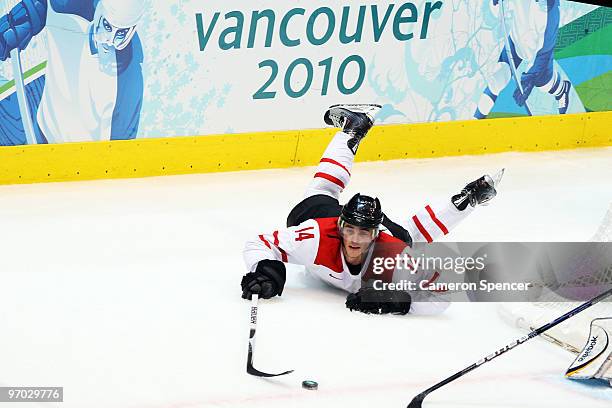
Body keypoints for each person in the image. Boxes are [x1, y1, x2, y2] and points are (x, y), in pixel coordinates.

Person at [241, 104, 500, 314]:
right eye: (350, 229)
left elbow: (441, 295)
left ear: (377, 234)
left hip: (387, 238)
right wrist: (265, 270)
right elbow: (259, 244)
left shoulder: (393, 252)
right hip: (327, 217)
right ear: (341, 226)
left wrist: (395, 300)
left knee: (407, 240)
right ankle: (467, 198)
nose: (354, 239)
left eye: (363, 232)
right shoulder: (314, 236)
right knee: (320, 193)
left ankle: (466, 199)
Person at [0, 0, 145, 144]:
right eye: (107, 26)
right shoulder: (66, 5)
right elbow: (37, 7)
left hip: (83, 159)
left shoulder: (130, 72)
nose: (110, 40)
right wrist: (15, 25)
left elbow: (123, 142)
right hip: (43, 131)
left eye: (121, 33)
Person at [474, 0, 571, 119]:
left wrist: (530, 79)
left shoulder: (549, 10)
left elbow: (545, 51)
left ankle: (562, 89)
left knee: (543, 84)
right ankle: (476, 120)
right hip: (516, 40)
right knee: (498, 76)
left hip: (537, 52)